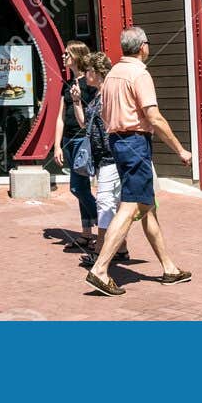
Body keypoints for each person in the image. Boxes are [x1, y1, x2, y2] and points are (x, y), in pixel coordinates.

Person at [84, 26, 193, 297]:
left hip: (118, 142)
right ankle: (100, 268)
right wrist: (180, 149)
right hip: (135, 143)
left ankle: (169, 268)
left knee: (147, 206)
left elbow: (104, 116)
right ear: (143, 46)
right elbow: (153, 117)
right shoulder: (139, 73)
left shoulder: (111, 76)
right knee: (131, 206)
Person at [80, 53, 127, 265]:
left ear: (97, 72)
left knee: (105, 202)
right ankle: (121, 249)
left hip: (111, 156)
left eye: (88, 70)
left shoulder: (108, 93)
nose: (85, 74)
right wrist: (75, 101)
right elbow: (85, 124)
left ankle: (100, 251)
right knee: (114, 203)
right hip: (101, 157)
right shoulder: (97, 94)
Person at [52, 40, 96, 245]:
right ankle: (87, 233)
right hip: (69, 140)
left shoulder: (89, 82)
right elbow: (60, 116)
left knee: (77, 188)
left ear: (78, 56)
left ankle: (111, 225)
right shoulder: (67, 83)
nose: (63, 57)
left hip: (82, 140)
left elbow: (91, 116)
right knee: (82, 188)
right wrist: (57, 145)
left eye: (67, 54)